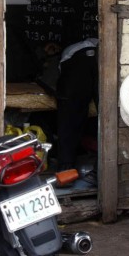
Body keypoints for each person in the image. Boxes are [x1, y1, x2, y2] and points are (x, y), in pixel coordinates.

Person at [55, 38, 98, 175]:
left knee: (71, 114)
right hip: (99, 55)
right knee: (108, 112)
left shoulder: (68, 52)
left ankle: (66, 168)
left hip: (77, 60)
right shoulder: (93, 43)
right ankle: (100, 170)